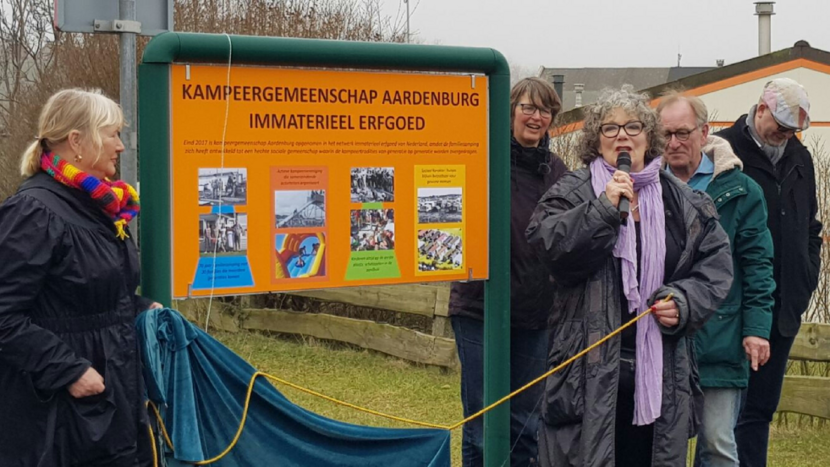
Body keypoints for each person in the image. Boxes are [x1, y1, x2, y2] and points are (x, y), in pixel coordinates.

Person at [526, 86, 733, 467]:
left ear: (649, 136)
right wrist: (603, 208)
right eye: (610, 128)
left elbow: (716, 268)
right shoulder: (571, 193)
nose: (622, 136)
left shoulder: (684, 201)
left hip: (660, 377)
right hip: (585, 376)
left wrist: (685, 303)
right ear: (595, 140)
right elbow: (549, 248)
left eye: (633, 126)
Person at [0, 88, 162, 466]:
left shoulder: (99, 208)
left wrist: (140, 307)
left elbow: (85, 290)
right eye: (112, 134)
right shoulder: (34, 213)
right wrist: (67, 369)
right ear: (76, 141)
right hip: (56, 415)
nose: (120, 146)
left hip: (113, 397)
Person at [448, 77, 567, 466]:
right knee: (484, 423)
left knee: (526, 426)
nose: (536, 117)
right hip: (480, 310)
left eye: (545, 110)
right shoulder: (484, 158)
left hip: (535, 315)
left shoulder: (558, 172)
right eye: (527, 108)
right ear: (509, 112)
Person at [658, 92, 775, 467]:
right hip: (657, 337)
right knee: (659, 446)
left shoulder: (742, 191)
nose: (673, 143)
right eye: (665, 135)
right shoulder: (645, 187)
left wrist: (756, 329)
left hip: (721, 334)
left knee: (718, 444)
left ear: (704, 132)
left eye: (682, 133)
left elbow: (758, 265)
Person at [715, 78, 822, 467]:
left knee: (759, 412)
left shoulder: (800, 158)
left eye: (793, 130)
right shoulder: (722, 150)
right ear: (761, 109)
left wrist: (806, 277)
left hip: (783, 309)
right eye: (781, 125)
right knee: (721, 416)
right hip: (733, 309)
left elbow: (811, 225)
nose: (786, 135)